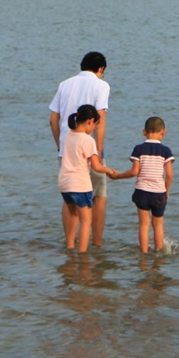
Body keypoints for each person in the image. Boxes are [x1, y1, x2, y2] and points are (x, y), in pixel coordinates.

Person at [49, 52, 110, 246]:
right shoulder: (101, 85)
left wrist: (60, 145)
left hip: (67, 147)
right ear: (100, 69)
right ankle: (96, 243)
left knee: (70, 200)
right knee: (99, 196)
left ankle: (70, 244)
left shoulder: (64, 84)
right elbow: (100, 120)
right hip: (89, 147)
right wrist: (98, 154)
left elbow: (53, 119)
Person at [109, 116, 175, 253]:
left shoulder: (139, 149)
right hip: (159, 192)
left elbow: (134, 172)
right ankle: (158, 254)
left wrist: (118, 176)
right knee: (158, 225)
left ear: (144, 132)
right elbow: (169, 175)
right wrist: (166, 191)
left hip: (142, 191)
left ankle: (144, 254)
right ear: (163, 132)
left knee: (144, 225)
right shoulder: (165, 151)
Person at [58, 105, 117, 252]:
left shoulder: (68, 135)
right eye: (96, 126)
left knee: (73, 214)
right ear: (90, 121)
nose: (95, 129)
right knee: (86, 220)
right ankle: (82, 253)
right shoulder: (88, 140)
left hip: (64, 183)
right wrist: (109, 170)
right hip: (80, 184)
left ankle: (70, 246)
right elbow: (96, 166)